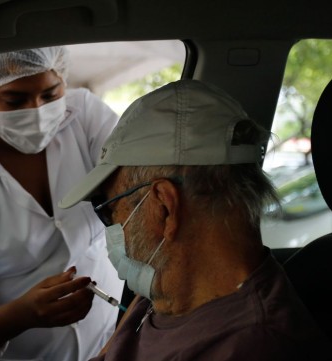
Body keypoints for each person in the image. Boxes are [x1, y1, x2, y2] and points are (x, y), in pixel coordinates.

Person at [58, 79, 331, 360]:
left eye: (109, 209)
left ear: (164, 207)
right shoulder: (166, 291)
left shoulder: (252, 347)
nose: (112, 225)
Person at [0, 46, 124, 360]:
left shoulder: (85, 116)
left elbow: (135, 184)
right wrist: (23, 315)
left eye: (50, 95)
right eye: (15, 101)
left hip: (110, 345)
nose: (37, 111)